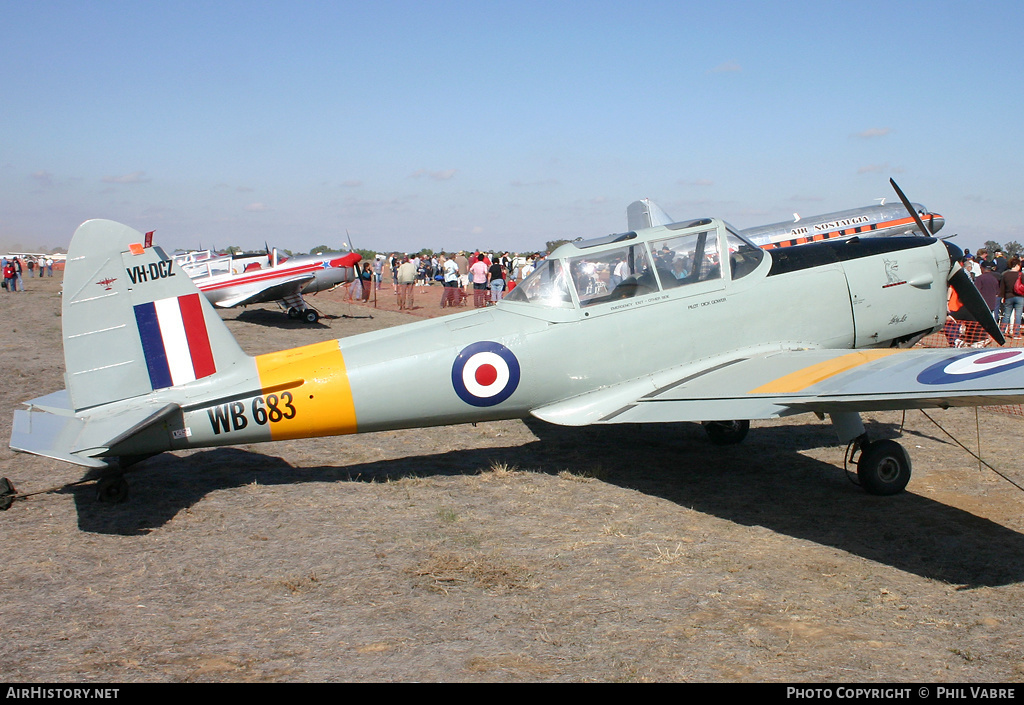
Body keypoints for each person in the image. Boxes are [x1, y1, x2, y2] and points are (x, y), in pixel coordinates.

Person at [998, 257, 1023, 339]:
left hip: (1008, 297)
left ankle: (1002, 332)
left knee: (1006, 315)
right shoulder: (1021, 275)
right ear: (1017, 265)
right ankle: (1016, 333)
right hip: (1020, 297)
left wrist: (1002, 296)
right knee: (1018, 315)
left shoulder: (1005, 275)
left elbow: (1002, 288)